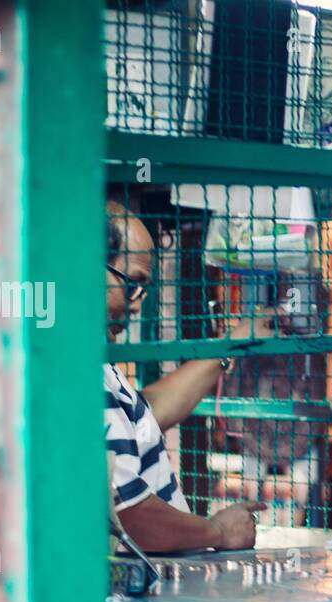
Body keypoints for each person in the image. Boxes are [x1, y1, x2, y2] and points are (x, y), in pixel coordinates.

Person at [104, 199, 263, 552]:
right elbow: (128, 514)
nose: (135, 303)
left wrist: (233, 344)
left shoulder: (98, 362)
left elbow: (145, 416)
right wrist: (218, 532)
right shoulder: (77, 374)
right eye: (132, 284)